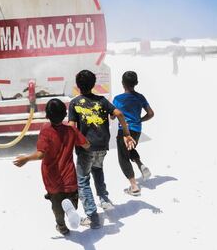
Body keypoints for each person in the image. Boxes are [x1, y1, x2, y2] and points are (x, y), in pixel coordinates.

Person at [68, 70, 135, 229]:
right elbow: (118, 113)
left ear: (78, 86)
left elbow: (71, 126)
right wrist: (126, 133)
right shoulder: (102, 100)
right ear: (93, 84)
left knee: (83, 180)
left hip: (86, 148)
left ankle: (92, 216)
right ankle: (104, 199)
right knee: (97, 169)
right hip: (102, 145)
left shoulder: (75, 103)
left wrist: (78, 141)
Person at [13, 98, 90, 235]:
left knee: (56, 204)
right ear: (64, 114)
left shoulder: (45, 130)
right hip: (69, 175)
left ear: (47, 115)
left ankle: (62, 227)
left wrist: (27, 158)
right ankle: (71, 208)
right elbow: (86, 144)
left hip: (52, 177)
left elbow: (40, 154)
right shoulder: (71, 130)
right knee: (70, 198)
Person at [113, 71, 154, 196]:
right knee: (130, 149)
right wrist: (140, 119)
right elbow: (151, 113)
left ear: (122, 83)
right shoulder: (140, 97)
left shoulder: (118, 99)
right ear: (136, 83)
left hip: (124, 132)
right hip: (136, 130)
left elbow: (112, 116)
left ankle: (134, 186)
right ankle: (141, 165)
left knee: (123, 157)